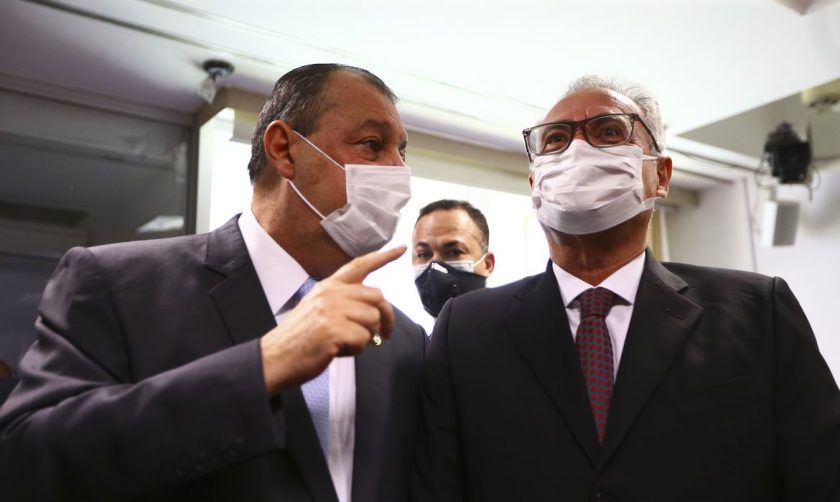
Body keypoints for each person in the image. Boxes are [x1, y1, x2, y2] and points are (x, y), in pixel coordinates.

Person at [0, 63, 427, 501]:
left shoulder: (402, 340)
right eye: (373, 145)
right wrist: (262, 365)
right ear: (284, 149)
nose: (399, 175)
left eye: (402, 153)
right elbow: (26, 461)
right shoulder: (118, 283)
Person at [411, 75, 840, 501]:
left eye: (608, 132)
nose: (578, 150)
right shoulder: (465, 329)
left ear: (661, 175)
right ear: (535, 183)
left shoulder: (756, 311)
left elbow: (822, 474)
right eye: (556, 139)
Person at [411, 199, 494, 318]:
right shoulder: (405, 335)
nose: (435, 265)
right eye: (424, 254)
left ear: (487, 264)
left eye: (453, 252)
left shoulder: (521, 332)